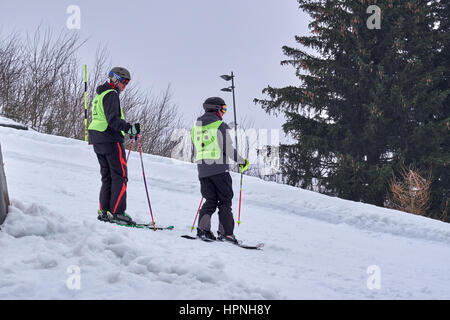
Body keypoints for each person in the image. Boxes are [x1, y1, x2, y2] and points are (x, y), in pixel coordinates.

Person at [191, 97, 249, 243]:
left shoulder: (196, 127)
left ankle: (203, 230)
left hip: (203, 171)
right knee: (225, 201)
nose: (224, 113)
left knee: (210, 200)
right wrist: (242, 161)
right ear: (216, 109)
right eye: (223, 109)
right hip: (219, 171)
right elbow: (228, 149)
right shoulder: (219, 125)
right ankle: (226, 234)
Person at [88, 67, 141, 225]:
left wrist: (126, 128)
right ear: (115, 79)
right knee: (120, 176)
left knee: (107, 176)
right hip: (110, 139)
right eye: (124, 81)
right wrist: (129, 128)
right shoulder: (111, 95)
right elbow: (113, 119)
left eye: (128, 82)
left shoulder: (100, 94)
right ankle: (117, 212)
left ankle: (105, 211)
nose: (125, 85)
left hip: (97, 139)